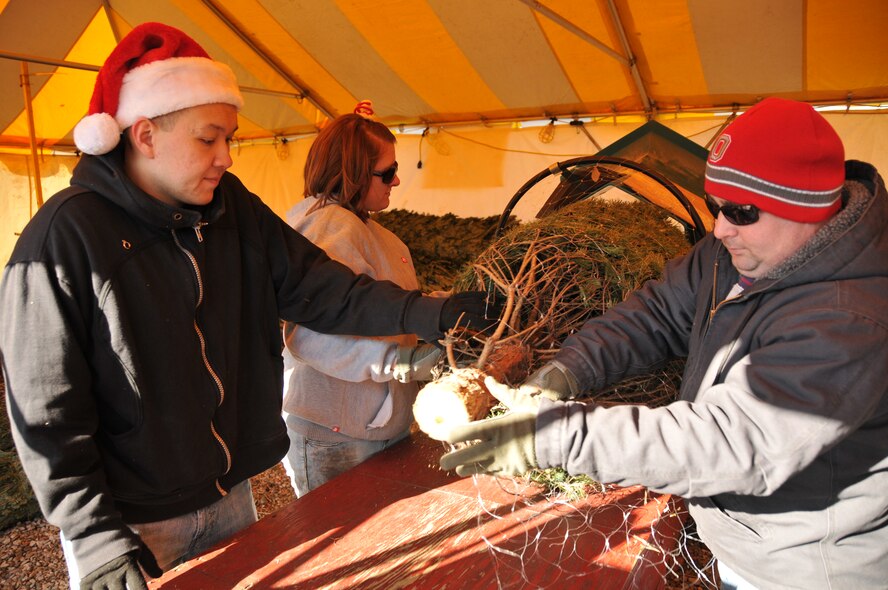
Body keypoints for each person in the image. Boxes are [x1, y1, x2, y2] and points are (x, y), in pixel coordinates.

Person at [0, 23, 494, 590]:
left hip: (229, 493)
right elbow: (46, 407)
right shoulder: (65, 238)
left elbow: (322, 289)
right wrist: (92, 532)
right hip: (133, 517)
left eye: (230, 138)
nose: (226, 158)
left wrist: (431, 314)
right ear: (144, 134)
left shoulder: (228, 207)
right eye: (209, 139)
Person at [438, 97, 888, 590]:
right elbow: (653, 316)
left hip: (805, 568)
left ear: (806, 207)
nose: (720, 228)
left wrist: (553, 436)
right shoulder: (731, 253)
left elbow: (733, 442)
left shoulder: (850, 316)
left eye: (740, 212)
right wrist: (564, 374)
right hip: (747, 542)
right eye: (715, 206)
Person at [280, 106, 442, 496]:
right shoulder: (325, 227)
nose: (397, 180)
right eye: (386, 173)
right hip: (337, 431)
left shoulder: (381, 236)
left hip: (376, 423)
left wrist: (442, 307)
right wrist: (400, 362)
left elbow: (392, 305)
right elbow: (312, 332)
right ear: (351, 173)